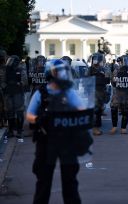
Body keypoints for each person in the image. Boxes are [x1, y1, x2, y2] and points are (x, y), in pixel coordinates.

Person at [26, 59, 91, 204]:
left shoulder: (69, 92)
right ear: (51, 73)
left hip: (66, 140)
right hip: (45, 140)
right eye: (59, 71)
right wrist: (39, 120)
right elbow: (29, 115)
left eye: (63, 71)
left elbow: (82, 110)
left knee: (70, 180)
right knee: (43, 180)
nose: (62, 74)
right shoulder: (41, 93)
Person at [110, 55, 128, 134]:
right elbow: (113, 82)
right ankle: (114, 126)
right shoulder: (116, 70)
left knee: (125, 110)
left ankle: (123, 128)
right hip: (117, 93)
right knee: (114, 108)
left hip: (126, 93)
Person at [4, 55, 28, 138]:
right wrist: (4, 86)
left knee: (19, 111)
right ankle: (11, 131)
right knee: (9, 112)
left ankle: (19, 131)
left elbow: (24, 80)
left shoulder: (20, 69)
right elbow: (3, 80)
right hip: (8, 92)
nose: (10, 62)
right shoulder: (6, 70)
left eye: (12, 61)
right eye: (10, 60)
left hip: (18, 92)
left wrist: (20, 83)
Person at [89, 52, 110, 135]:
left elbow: (107, 80)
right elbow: (86, 81)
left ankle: (97, 127)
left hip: (101, 92)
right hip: (94, 93)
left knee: (99, 110)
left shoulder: (103, 69)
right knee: (96, 110)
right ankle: (95, 129)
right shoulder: (90, 69)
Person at [0, 49, 7, 127]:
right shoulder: (5, 67)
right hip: (3, 88)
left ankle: (4, 121)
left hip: (4, 88)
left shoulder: (5, 67)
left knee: (4, 105)